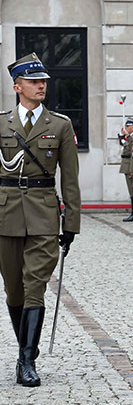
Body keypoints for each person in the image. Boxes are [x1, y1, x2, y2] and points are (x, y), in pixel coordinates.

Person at [1, 52, 80, 387]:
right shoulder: (1, 123)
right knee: (14, 290)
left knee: (35, 287)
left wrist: (71, 223)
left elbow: (70, 179)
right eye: (34, 82)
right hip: (5, 215)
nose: (41, 86)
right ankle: (24, 352)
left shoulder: (60, 125)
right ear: (18, 86)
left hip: (45, 214)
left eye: (44, 82)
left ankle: (26, 360)